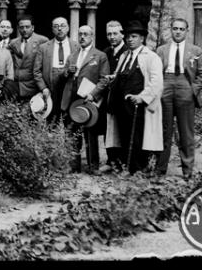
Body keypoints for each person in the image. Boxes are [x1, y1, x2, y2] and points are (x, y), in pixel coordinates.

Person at [105, 20, 164, 174]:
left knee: (137, 137)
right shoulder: (125, 56)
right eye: (128, 37)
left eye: (134, 36)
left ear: (142, 39)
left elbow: (156, 82)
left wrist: (142, 97)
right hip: (122, 105)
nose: (130, 40)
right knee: (124, 135)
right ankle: (126, 166)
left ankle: (137, 169)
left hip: (139, 106)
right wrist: (113, 78)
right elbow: (120, 74)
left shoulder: (151, 57)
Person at [155, 18, 202, 179]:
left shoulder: (196, 51)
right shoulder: (161, 50)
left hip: (185, 85)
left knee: (186, 131)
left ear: (187, 31)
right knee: (164, 130)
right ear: (171, 30)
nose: (178, 32)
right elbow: (156, 72)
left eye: (181, 29)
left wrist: (192, 91)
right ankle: (160, 168)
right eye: (175, 28)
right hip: (166, 84)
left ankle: (187, 169)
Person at [61, 25, 110, 173]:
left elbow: (104, 79)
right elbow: (63, 75)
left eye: (86, 34)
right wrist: (67, 72)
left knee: (90, 132)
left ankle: (93, 166)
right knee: (71, 132)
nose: (82, 37)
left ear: (92, 37)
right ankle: (73, 165)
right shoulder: (73, 55)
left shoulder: (100, 55)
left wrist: (93, 94)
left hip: (88, 98)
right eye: (80, 34)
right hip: (71, 96)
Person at [33, 17, 76, 122]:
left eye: (63, 26)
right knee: (52, 119)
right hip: (51, 86)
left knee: (70, 120)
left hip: (69, 84)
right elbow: (36, 71)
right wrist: (43, 88)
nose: (60, 29)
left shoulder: (76, 46)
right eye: (56, 26)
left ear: (68, 28)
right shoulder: (43, 48)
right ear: (52, 29)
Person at [99, 20, 128, 173]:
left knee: (122, 128)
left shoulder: (128, 51)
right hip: (109, 96)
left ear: (122, 34)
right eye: (109, 34)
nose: (112, 37)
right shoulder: (106, 52)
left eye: (115, 33)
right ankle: (111, 160)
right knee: (108, 129)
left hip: (123, 96)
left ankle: (123, 162)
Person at [8, 14, 48, 103]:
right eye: (21, 27)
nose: (24, 30)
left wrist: (43, 87)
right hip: (17, 86)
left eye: (27, 27)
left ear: (32, 27)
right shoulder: (13, 43)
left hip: (34, 87)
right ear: (18, 28)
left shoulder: (42, 41)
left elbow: (45, 66)